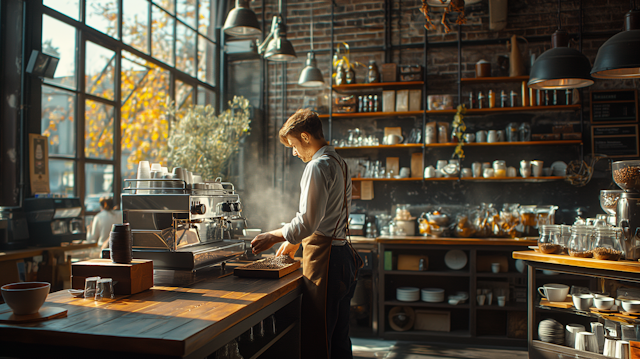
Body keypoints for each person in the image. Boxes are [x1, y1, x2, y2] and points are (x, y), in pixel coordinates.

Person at [251, 109, 362, 359]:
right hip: (343, 256)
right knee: (339, 339)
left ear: (305, 136)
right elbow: (322, 218)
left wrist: (273, 235)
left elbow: (308, 222)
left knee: (318, 337)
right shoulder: (340, 163)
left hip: (326, 262)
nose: (294, 152)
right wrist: (294, 241)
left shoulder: (317, 166)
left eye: (293, 144)